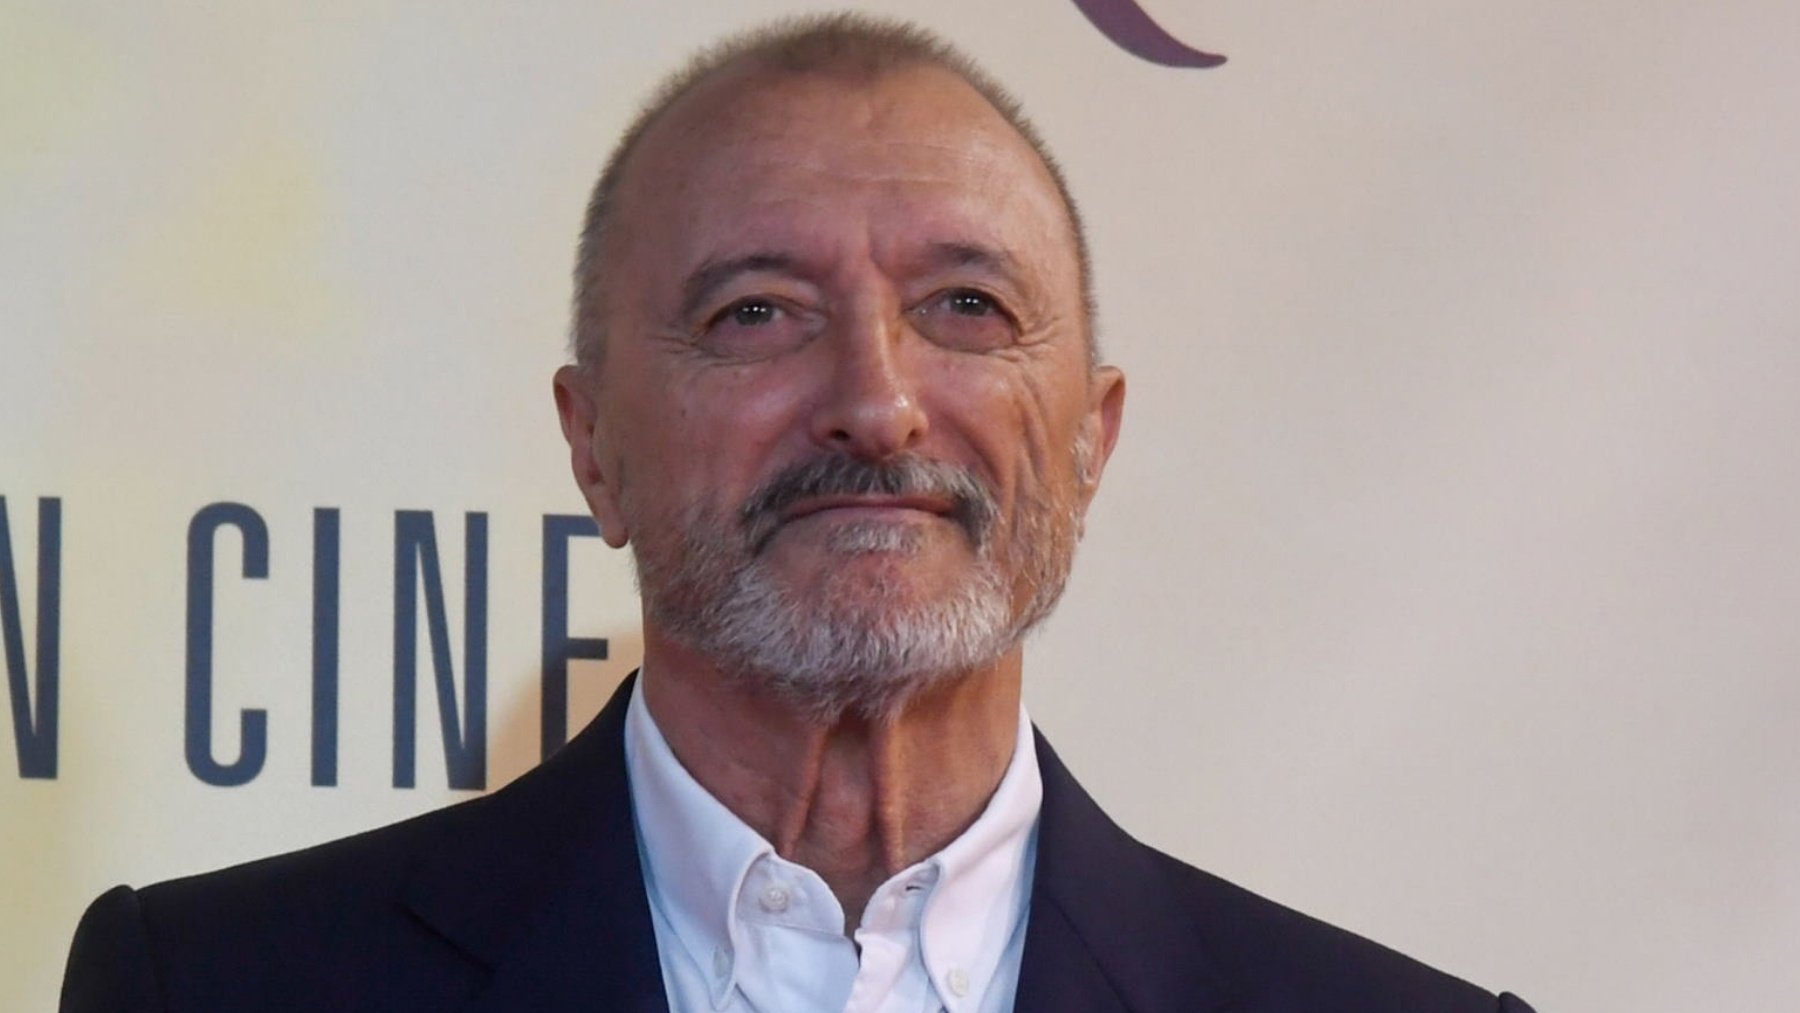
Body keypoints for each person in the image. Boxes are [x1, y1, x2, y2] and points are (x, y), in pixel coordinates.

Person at [60, 13, 1535, 1013]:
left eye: (967, 306)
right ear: (593, 447)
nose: (877, 403)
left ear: (1092, 440)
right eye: (757, 311)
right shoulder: (212, 984)